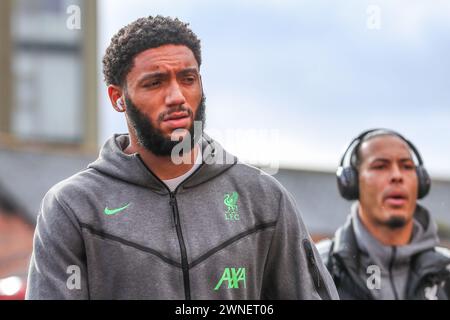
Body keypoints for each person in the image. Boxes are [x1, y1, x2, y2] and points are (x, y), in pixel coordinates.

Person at [26, 15, 338, 300]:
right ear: (117, 97)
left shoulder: (264, 201)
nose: (176, 97)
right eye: (155, 83)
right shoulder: (74, 207)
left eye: (188, 79)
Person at [317, 128, 450, 300]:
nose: (397, 176)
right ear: (352, 183)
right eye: (380, 166)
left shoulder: (446, 272)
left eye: (407, 166)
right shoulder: (317, 269)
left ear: (421, 182)